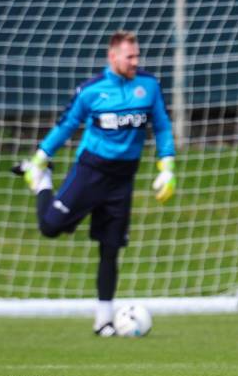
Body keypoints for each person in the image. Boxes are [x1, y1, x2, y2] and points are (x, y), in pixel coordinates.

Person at [12, 30, 176, 337]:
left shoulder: (149, 86)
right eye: (130, 56)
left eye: (137, 55)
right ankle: (43, 180)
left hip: (123, 178)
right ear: (112, 56)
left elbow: (163, 125)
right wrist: (39, 159)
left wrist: (167, 167)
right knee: (50, 227)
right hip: (90, 171)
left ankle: (103, 321)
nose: (135, 61)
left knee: (110, 248)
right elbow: (66, 125)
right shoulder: (91, 91)